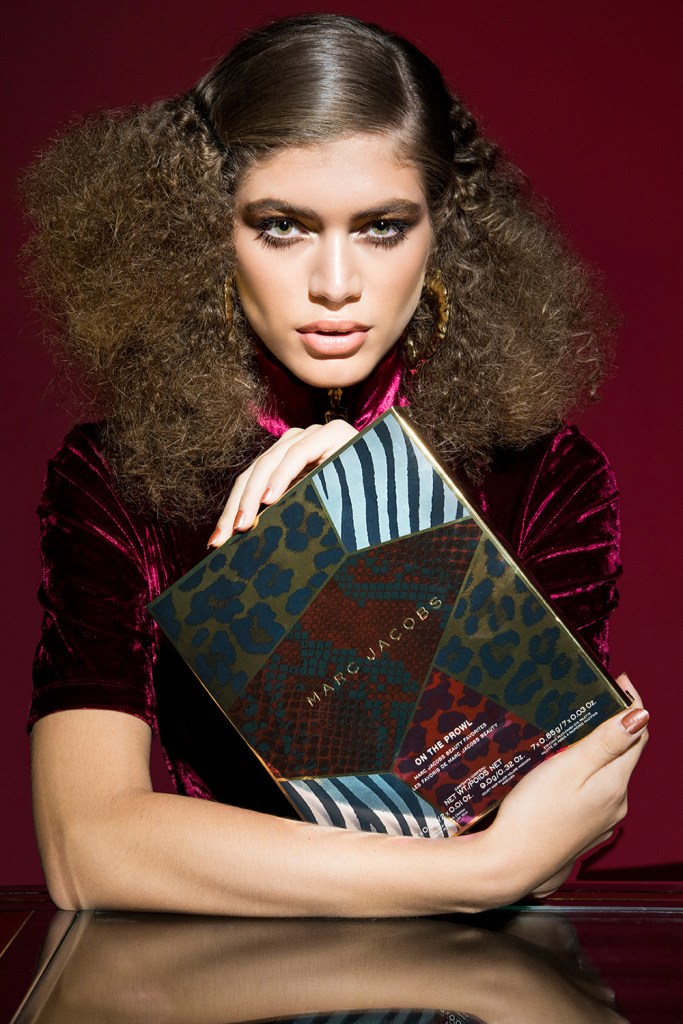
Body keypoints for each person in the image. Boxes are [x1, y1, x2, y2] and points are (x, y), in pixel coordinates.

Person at [23, 13, 648, 916]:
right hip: (221, 980)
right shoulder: (116, 480)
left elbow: (555, 830)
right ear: (204, 231)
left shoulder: (544, 475)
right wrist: (483, 873)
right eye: (282, 226)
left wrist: (383, 502)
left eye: (382, 228)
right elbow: (87, 849)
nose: (335, 284)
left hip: (472, 983)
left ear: (442, 233)